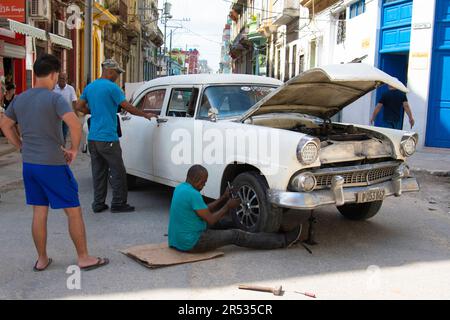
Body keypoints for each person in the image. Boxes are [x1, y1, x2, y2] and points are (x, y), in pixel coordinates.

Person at [0, 54, 108, 272]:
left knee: (39, 212)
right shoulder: (55, 98)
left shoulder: (19, 98)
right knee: (73, 211)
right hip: (52, 163)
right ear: (52, 74)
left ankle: (41, 259)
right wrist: (74, 150)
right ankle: (84, 257)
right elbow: (75, 125)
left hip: (30, 165)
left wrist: (21, 145)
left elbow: (5, 125)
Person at [76, 59, 158, 213]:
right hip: (108, 137)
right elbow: (127, 107)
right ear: (109, 71)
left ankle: (98, 203)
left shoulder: (90, 87)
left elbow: (79, 106)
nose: (118, 76)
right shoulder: (112, 88)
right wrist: (145, 114)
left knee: (98, 172)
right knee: (118, 171)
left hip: (93, 137)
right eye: (117, 73)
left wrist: (93, 111)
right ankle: (118, 203)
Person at [168, 165, 303, 253]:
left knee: (231, 222)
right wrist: (228, 206)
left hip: (177, 240)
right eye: (204, 182)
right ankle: (284, 241)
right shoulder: (193, 194)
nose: (204, 185)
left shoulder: (182, 188)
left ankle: (268, 232)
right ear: (197, 180)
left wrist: (224, 198)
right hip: (192, 242)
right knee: (235, 235)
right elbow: (210, 220)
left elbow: (203, 209)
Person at [53, 73, 77, 142]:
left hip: (67, 114)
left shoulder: (70, 89)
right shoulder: (54, 88)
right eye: (61, 79)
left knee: (64, 133)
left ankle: (62, 147)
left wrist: (75, 114)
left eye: (64, 79)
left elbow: (74, 101)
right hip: (56, 115)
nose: (63, 81)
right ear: (58, 79)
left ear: (67, 80)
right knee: (57, 133)